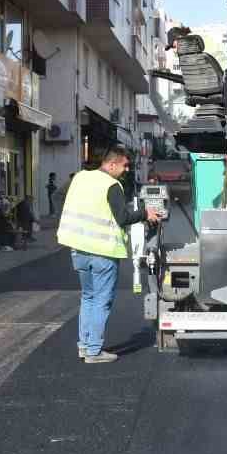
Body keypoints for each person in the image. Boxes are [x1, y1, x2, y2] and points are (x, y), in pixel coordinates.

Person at [57, 145, 159, 364]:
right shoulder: (112, 185)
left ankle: (84, 346)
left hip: (78, 248)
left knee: (88, 297)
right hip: (102, 252)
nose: (126, 169)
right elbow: (122, 218)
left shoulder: (81, 178)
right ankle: (94, 351)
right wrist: (145, 213)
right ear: (112, 164)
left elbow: (59, 197)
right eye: (124, 165)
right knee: (102, 300)